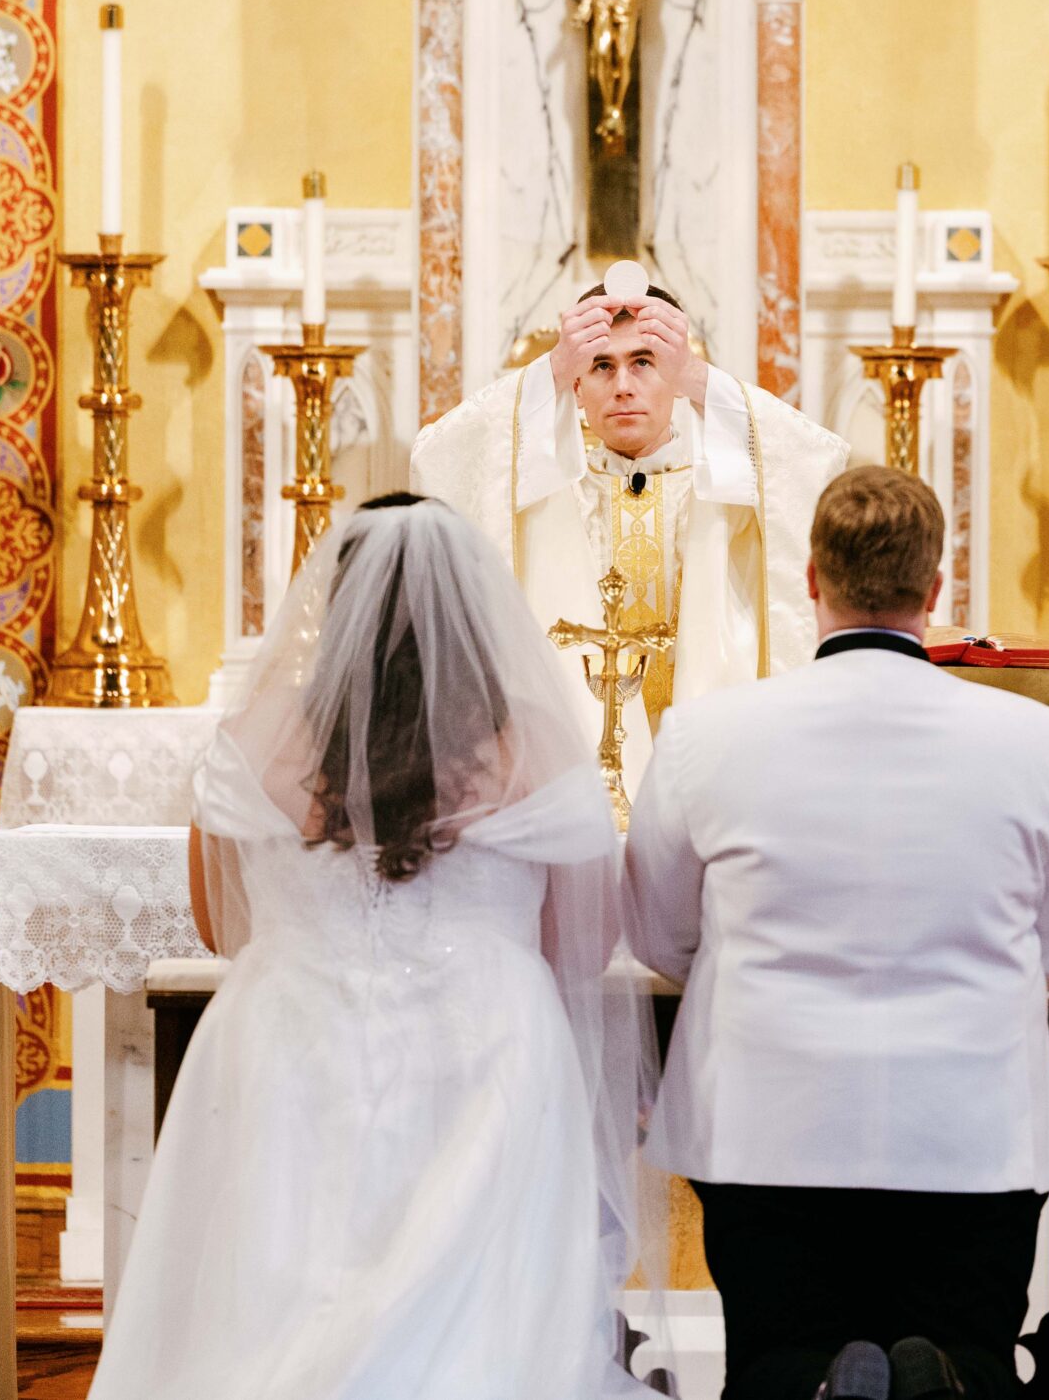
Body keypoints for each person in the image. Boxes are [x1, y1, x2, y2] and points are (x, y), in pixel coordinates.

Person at [88, 494, 655, 1400]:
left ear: (337, 601)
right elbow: (585, 942)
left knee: (279, 1298)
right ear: (474, 607)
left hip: (291, 1036)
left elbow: (215, 919)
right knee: (479, 1327)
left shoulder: (261, 733)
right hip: (489, 1048)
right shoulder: (529, 743)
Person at [624, 466, 1049, 1400]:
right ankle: (951, 1378)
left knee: (774, 1351)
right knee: (970, 1340)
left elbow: (656, 930)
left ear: (812, 578)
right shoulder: (1042, 744)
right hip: (972, 1129)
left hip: (769, 1126)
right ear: (935, 589)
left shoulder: (703, 736)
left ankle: (811, 1380)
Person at [410, 281, 850, 792]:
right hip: (576, 787)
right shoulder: (543, 490)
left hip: (709, 781)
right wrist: (553, 365)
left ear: (677, 376)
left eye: (644, 361)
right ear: (577, 385)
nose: (622, 385)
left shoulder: (728, 489)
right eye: (601, 365)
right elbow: (439, 458)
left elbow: (814, 461)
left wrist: (696, 373)